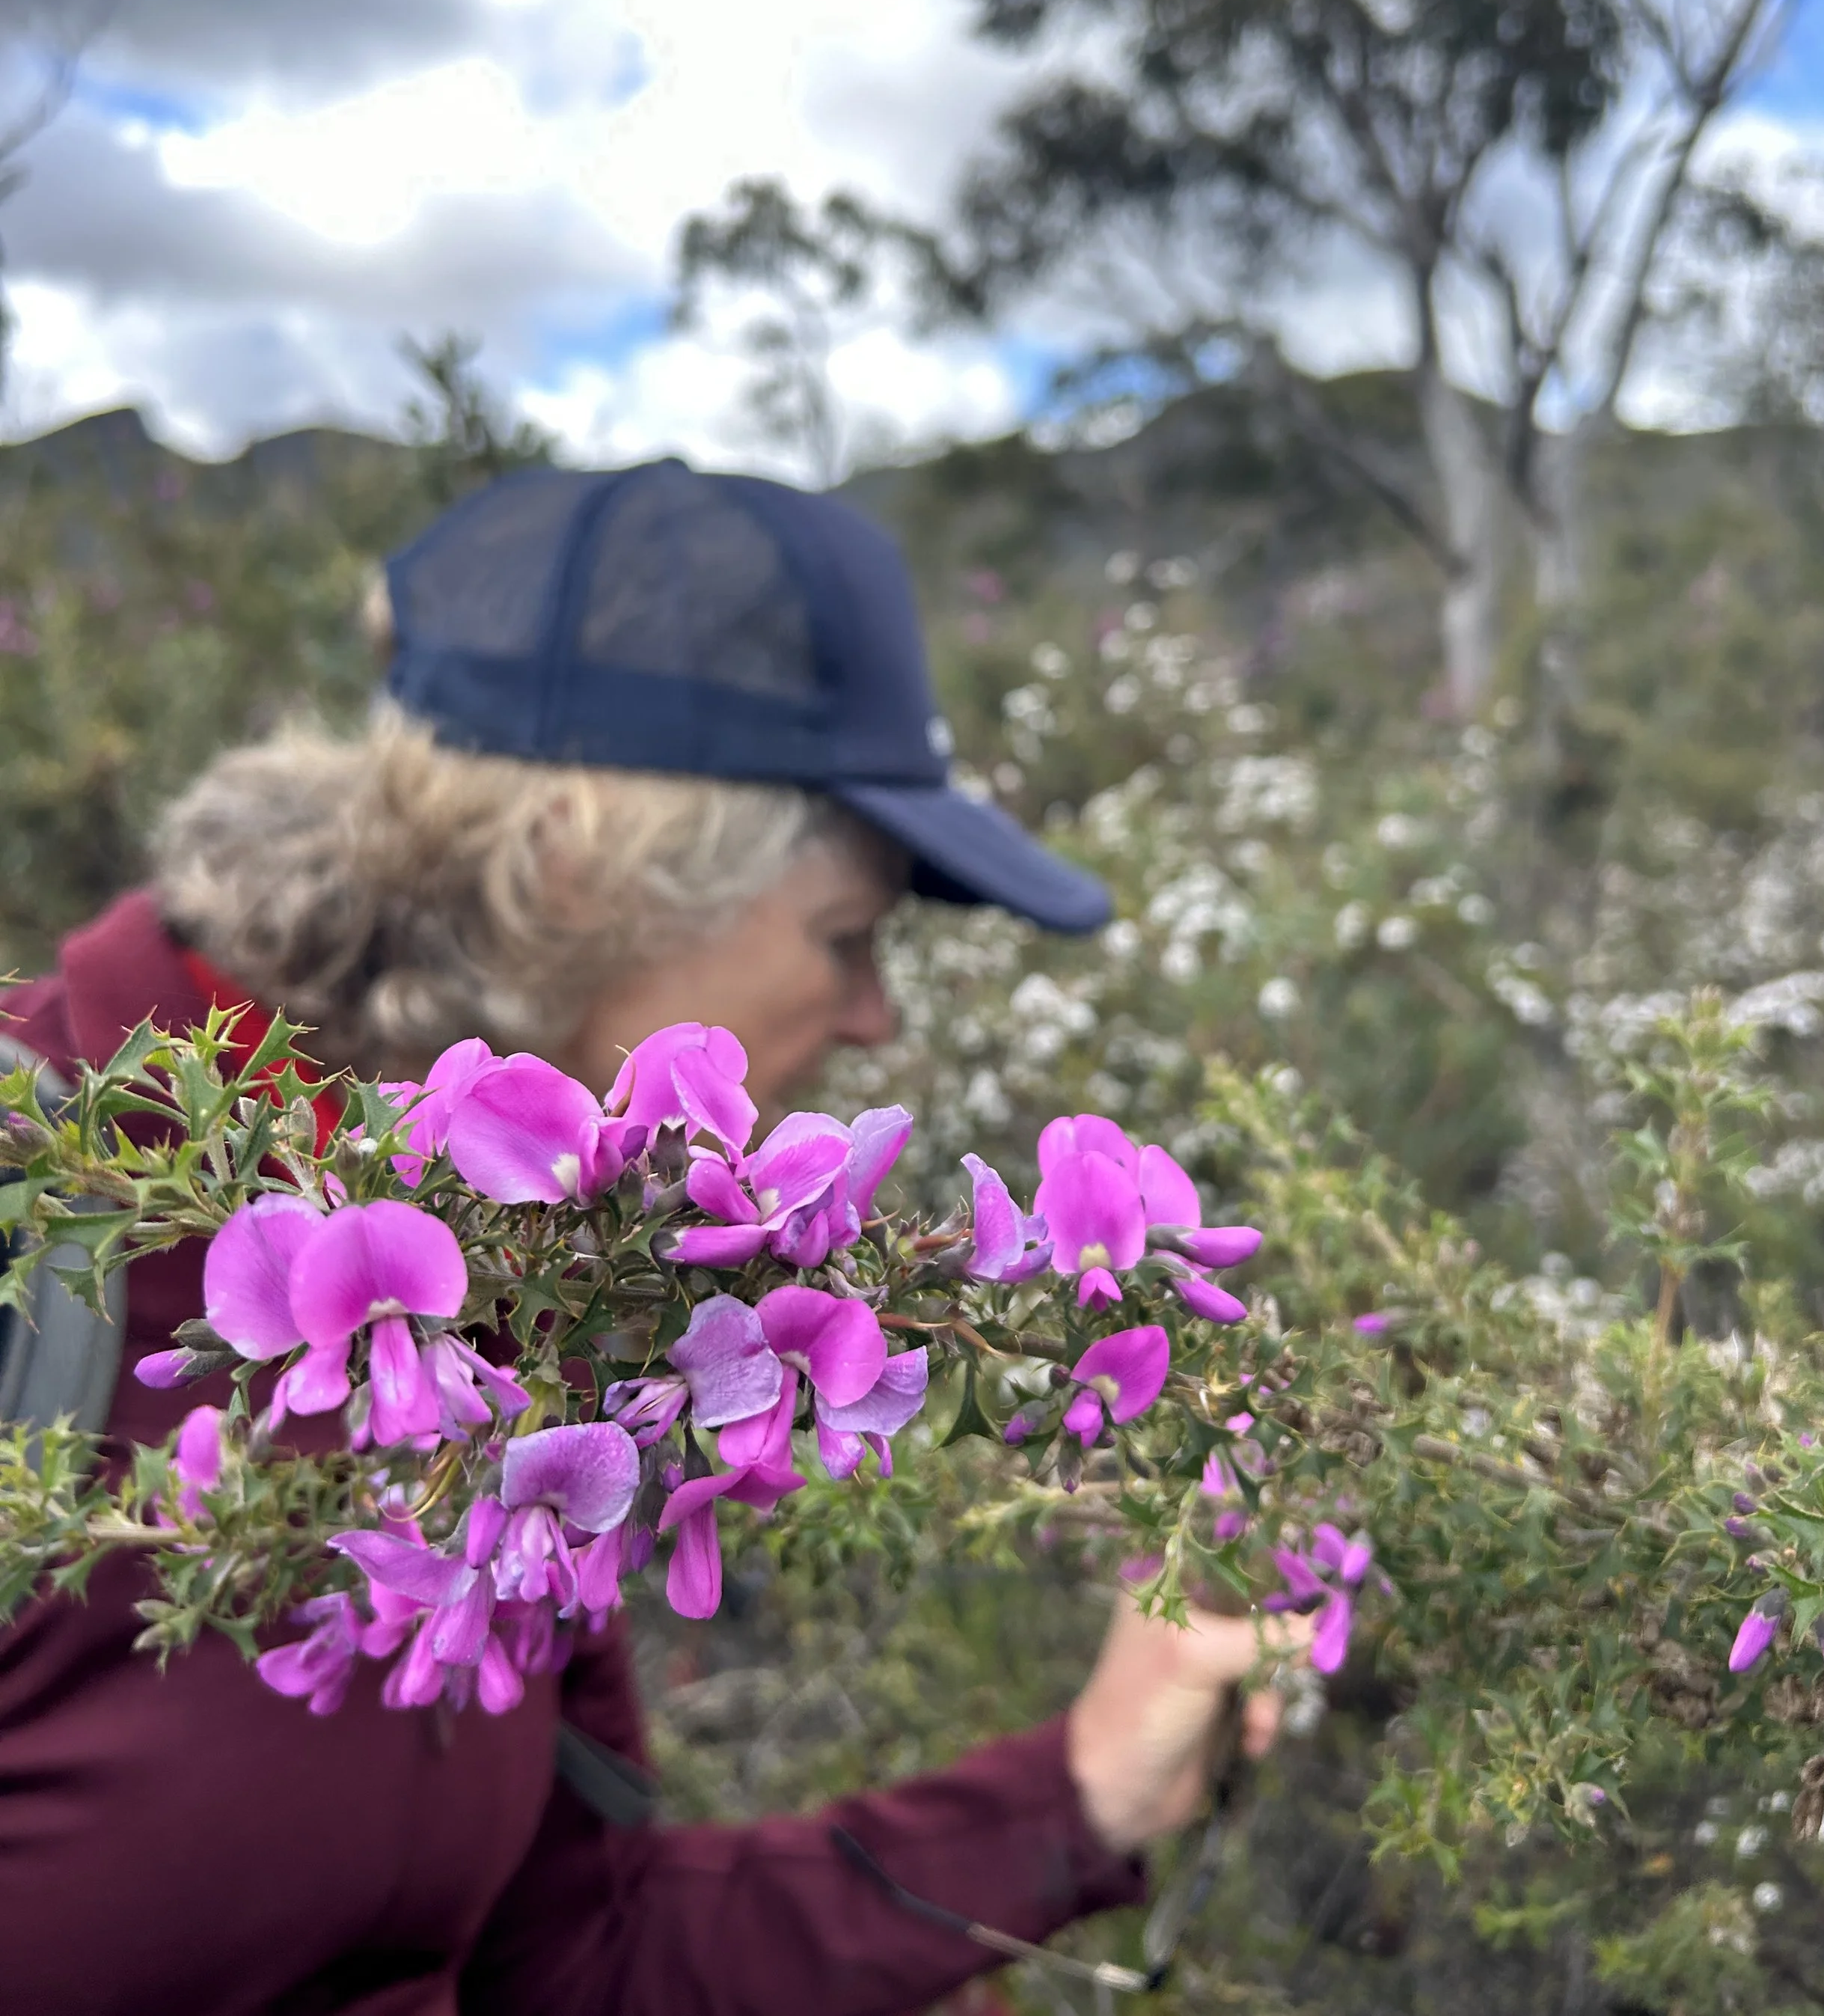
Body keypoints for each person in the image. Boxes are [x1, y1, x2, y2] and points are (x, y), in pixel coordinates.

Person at [0, 459, 1285, 2016]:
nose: (875, 1016)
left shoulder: (555, 1344)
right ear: (580, 873)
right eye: (845, 934)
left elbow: (570, 1966)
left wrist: (1070, 1799)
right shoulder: (50, 1221)